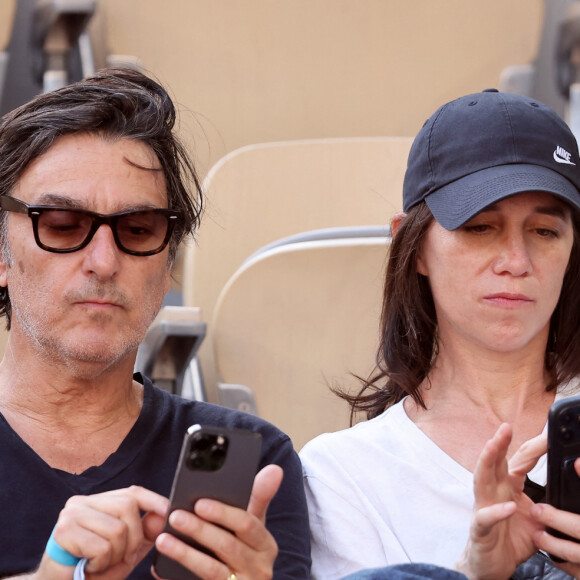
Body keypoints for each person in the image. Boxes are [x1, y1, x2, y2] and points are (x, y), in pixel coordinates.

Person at [0, 67, 310, 580]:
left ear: (168, 268)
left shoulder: (252, 460)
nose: (103, 260)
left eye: (138, 229)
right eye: (61, 225)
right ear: (3, 257)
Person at [299, 88, 580, 580]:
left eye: (545, 231)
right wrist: (475, 573)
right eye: (479, 228)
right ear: (414, 247)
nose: (516, 261)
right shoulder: (343, 474)